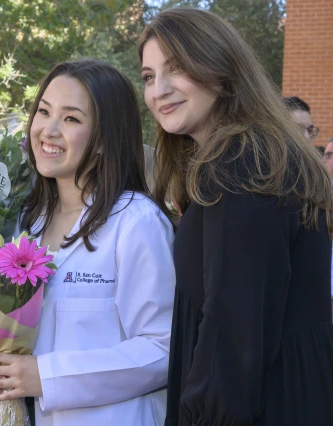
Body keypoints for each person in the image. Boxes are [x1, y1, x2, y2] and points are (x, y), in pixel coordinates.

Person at [139, 8, 333, 425]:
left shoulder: (241, 162)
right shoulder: (254, 153)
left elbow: (234, 332)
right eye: (149, 76)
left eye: (177, 69)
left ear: (221, 68)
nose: (160, 90)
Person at [0, 60, 175, 425]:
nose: (48, 131)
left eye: (71, 119)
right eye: (44, 112)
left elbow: (163, 350)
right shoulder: (28, 221)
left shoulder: (135, 223)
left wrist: (44, 375)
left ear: (103, 139)